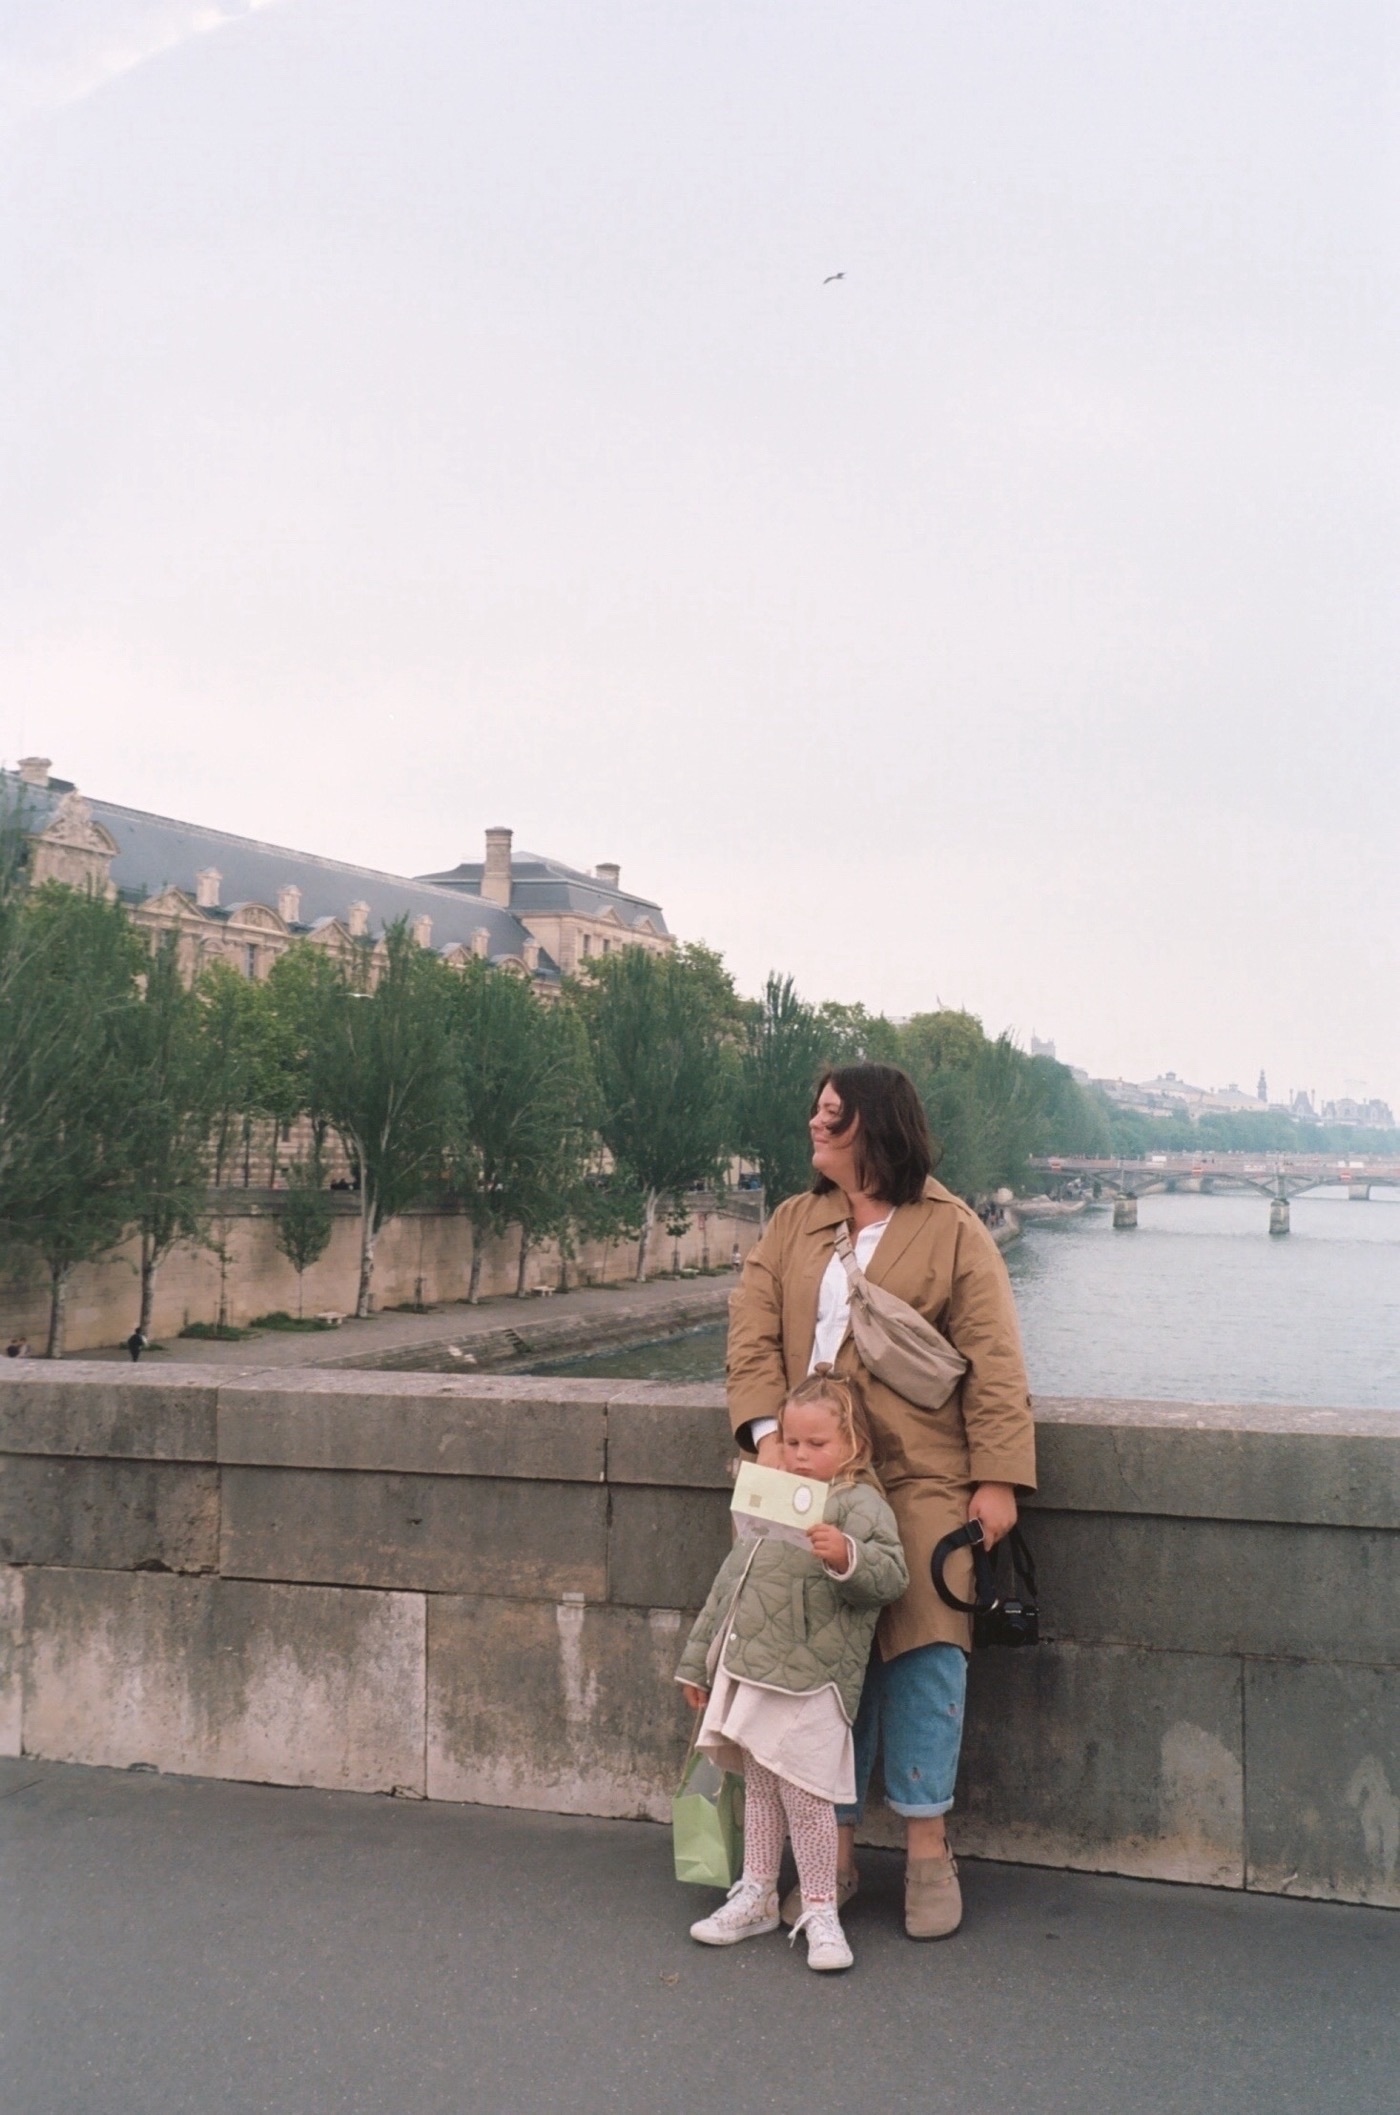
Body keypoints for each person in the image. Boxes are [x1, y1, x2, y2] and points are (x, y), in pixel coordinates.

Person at [726, 1062, 1036, 1941]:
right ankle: (838, 1851)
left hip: (926, 1477)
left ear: (874, 1127)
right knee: (823, 1668)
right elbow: (749, 1337)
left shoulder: (952, 1229)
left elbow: (995, 1358)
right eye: (817, 1109)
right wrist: (765, 1441)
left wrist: (998, 1476)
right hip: (812, 1477)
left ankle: (930, 1848)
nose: (813, 1123)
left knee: (929, 1652)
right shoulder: (794, 1222)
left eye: (831, 1114)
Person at [675, 1372, 907, 1973]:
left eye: (817, 1445)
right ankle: (756, 1891)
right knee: (759, 1785)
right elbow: (732, 1581)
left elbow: (890, 1577)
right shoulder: (772, 1493)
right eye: (794, 1443)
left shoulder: (860, 1504)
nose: (802, 1456)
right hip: (753, 1665)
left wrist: (846, 1557)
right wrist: (698, 1661)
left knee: (805, 1795)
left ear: (853, 1443)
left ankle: (821, 1908)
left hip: (815, 1676)